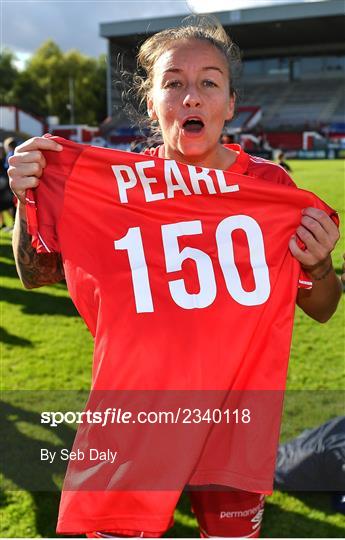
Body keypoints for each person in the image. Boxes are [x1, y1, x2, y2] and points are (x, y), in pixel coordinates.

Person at [8, 17, 342, 539]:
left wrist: (320, 267)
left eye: (209, 81)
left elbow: (322, 306)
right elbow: (36, 273)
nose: (192, 97)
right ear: (151, 102)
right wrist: (29, 199)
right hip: (138, 416)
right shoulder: (115, 193)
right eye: (173, 82)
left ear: (230, 104)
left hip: (234, 418)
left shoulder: (269, 187)